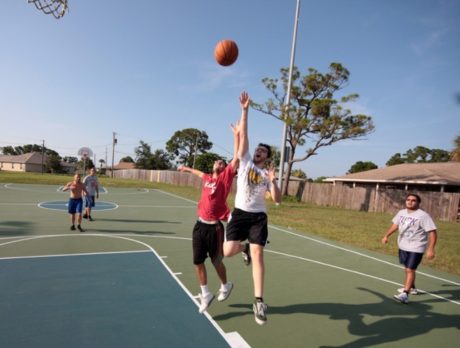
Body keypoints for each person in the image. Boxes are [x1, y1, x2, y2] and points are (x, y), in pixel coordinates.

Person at [176, 94, 242, 314]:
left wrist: (236, 135)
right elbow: (197, 172)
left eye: (221, 162)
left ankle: (226, 284)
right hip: (199, 225)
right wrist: (185, 168)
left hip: (214, 227)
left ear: (224, 169)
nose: (218, 162)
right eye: (217, 161)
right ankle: (205, 293)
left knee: (216, 262)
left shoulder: (224, 179)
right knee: (197, 262)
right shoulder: (207, 177)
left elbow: (236, 157)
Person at [223, 91, 281, 325]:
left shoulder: (267, 175)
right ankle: (243, 249)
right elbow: (244, 135)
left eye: (263, 151)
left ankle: (258, 300)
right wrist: (245, 110)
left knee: (259, 254)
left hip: (258, 217)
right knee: (227, 252)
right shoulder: (246, 161)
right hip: (239, 214)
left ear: (267, 157)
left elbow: (277, 199)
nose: (258, 151)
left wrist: (274, 181)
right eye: (258, 149)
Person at [381, 193, 437, 304]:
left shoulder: (423, 216)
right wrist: (386, 235)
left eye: (413, 200)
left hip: (416, 247)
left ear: (418, 203)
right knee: (407, 268)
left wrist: (431, 249)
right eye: (408, 200)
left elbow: (432, 233)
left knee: (410, 270)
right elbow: (395, 225)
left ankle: (405, 294)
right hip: (403, 245)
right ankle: (412, 288)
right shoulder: (401, 213)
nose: (410, 202)